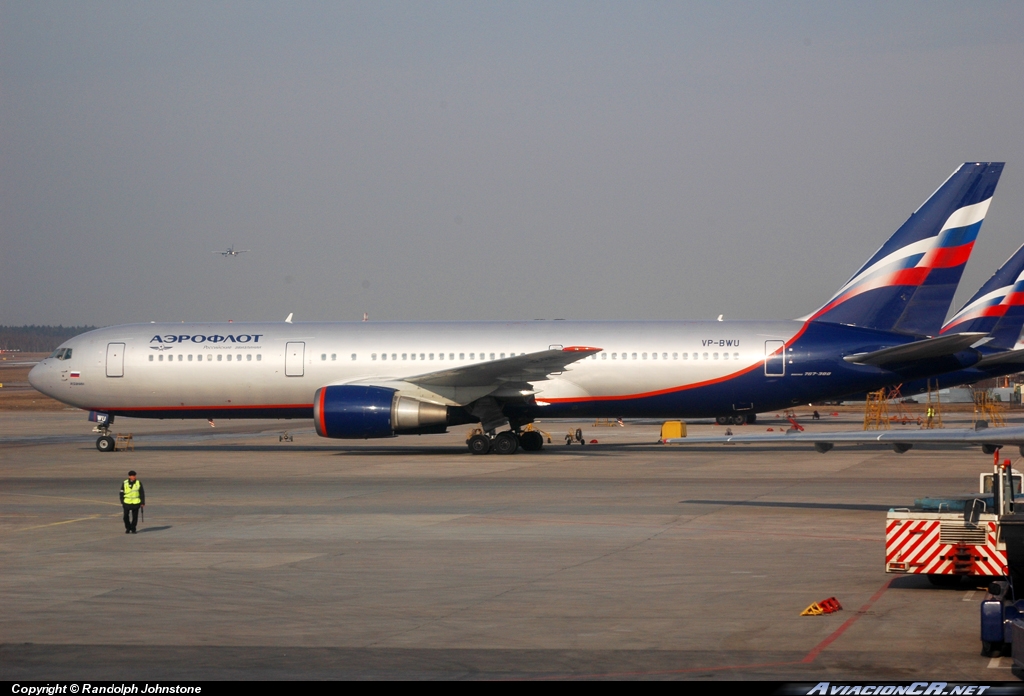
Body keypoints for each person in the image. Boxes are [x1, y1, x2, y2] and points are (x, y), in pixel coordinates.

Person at [120, 470, 145, 534]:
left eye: (134, 476)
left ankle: (133, 528)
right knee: (125, 516)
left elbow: (141, 493)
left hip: (136, 502)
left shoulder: (138, 483)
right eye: (133, 476)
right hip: (127, 502)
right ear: (129, 476)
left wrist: (142, 502)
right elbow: (121, 492)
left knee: (135, 517)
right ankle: (128, 528)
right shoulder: (125, 483)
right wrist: (122, 501)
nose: (134, 477)